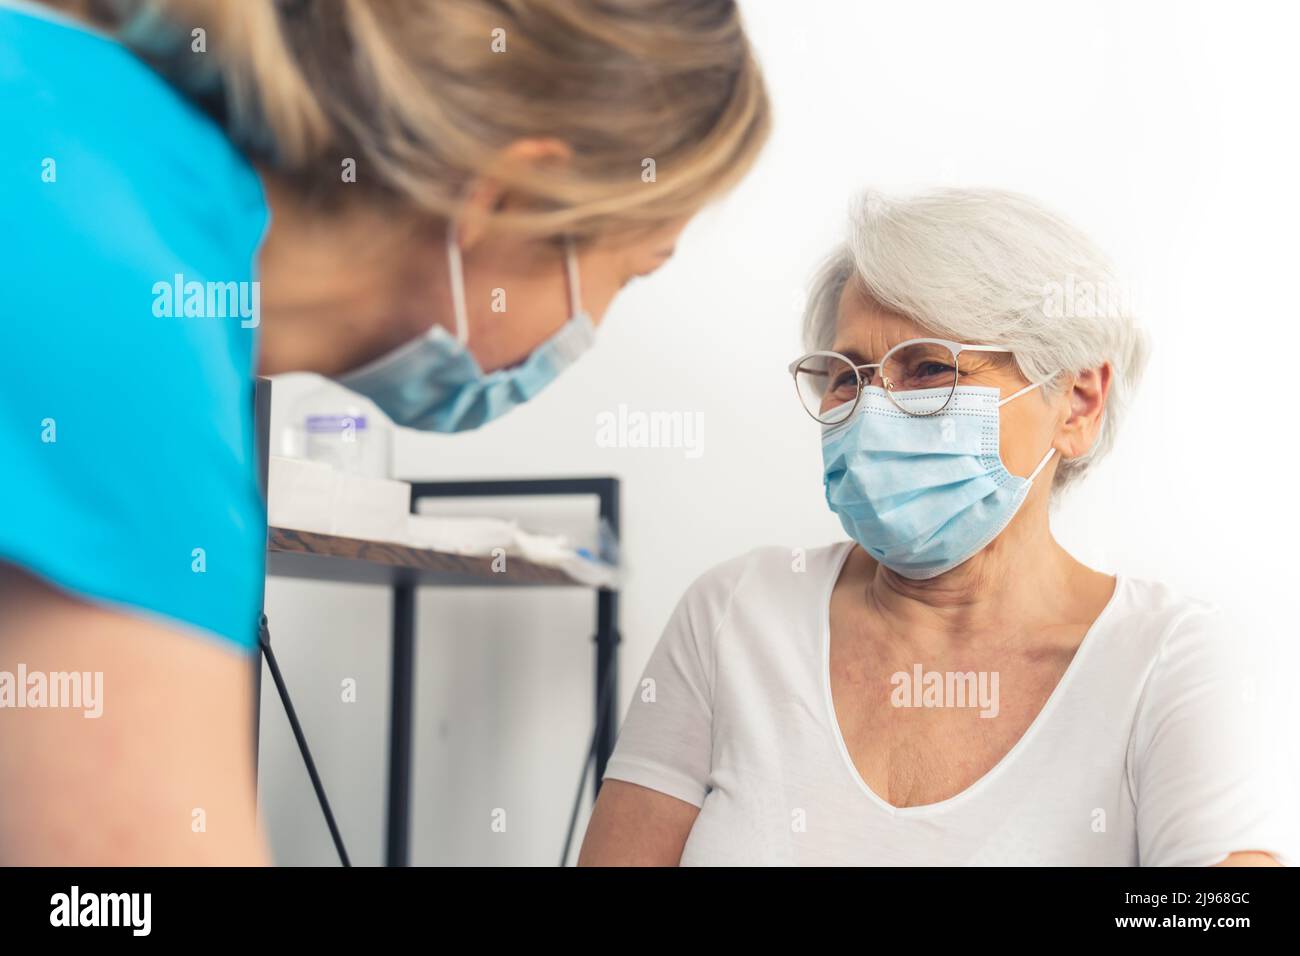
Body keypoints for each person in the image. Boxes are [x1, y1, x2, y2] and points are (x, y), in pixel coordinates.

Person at [0, 0, 769, 863]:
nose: (594, 324)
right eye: (628, 274)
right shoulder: (119, 297)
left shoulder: (87, 136)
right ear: (506, 198)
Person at [580, 188, 1292, 866]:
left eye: (928, 368)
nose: (873, 409)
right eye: (849, 375)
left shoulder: (1166, 661)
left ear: (1077, 402)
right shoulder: (736, 614)